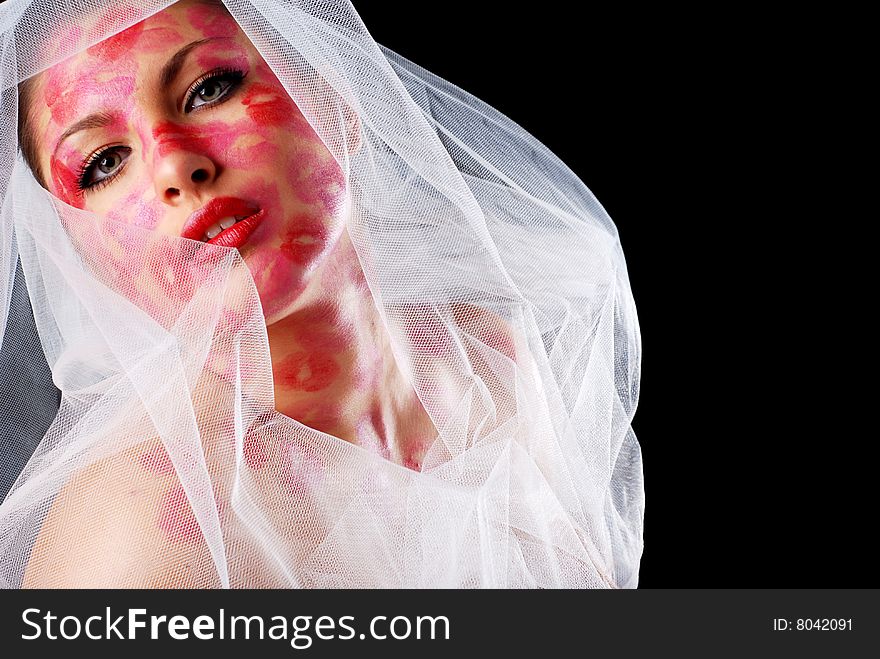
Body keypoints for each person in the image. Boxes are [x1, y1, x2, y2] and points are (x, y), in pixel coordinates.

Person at [0, 0, 645, 588]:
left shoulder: (488, 353)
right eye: (103, 163)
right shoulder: (140, 531)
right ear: (85, 249)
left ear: (333, 95)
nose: (173, 165)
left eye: (208, 88)